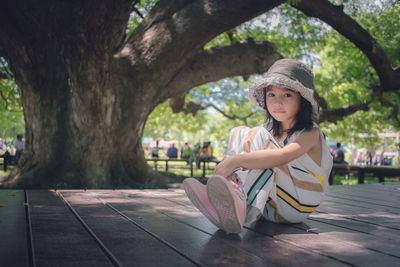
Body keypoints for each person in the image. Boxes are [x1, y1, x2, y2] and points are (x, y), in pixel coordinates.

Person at [183, 59, 333, 234]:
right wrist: (229, 164)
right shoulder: (267, 131)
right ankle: (227, 192)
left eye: (287, 95)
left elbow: (283, 156)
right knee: (241, 132)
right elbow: (246, 144)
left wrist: (235, 161)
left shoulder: (310, 132)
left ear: (303, 101)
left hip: (297, 205)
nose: (278, 102)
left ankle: (240, 204)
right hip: (268, 208)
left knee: (268, 159)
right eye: (271, 95)